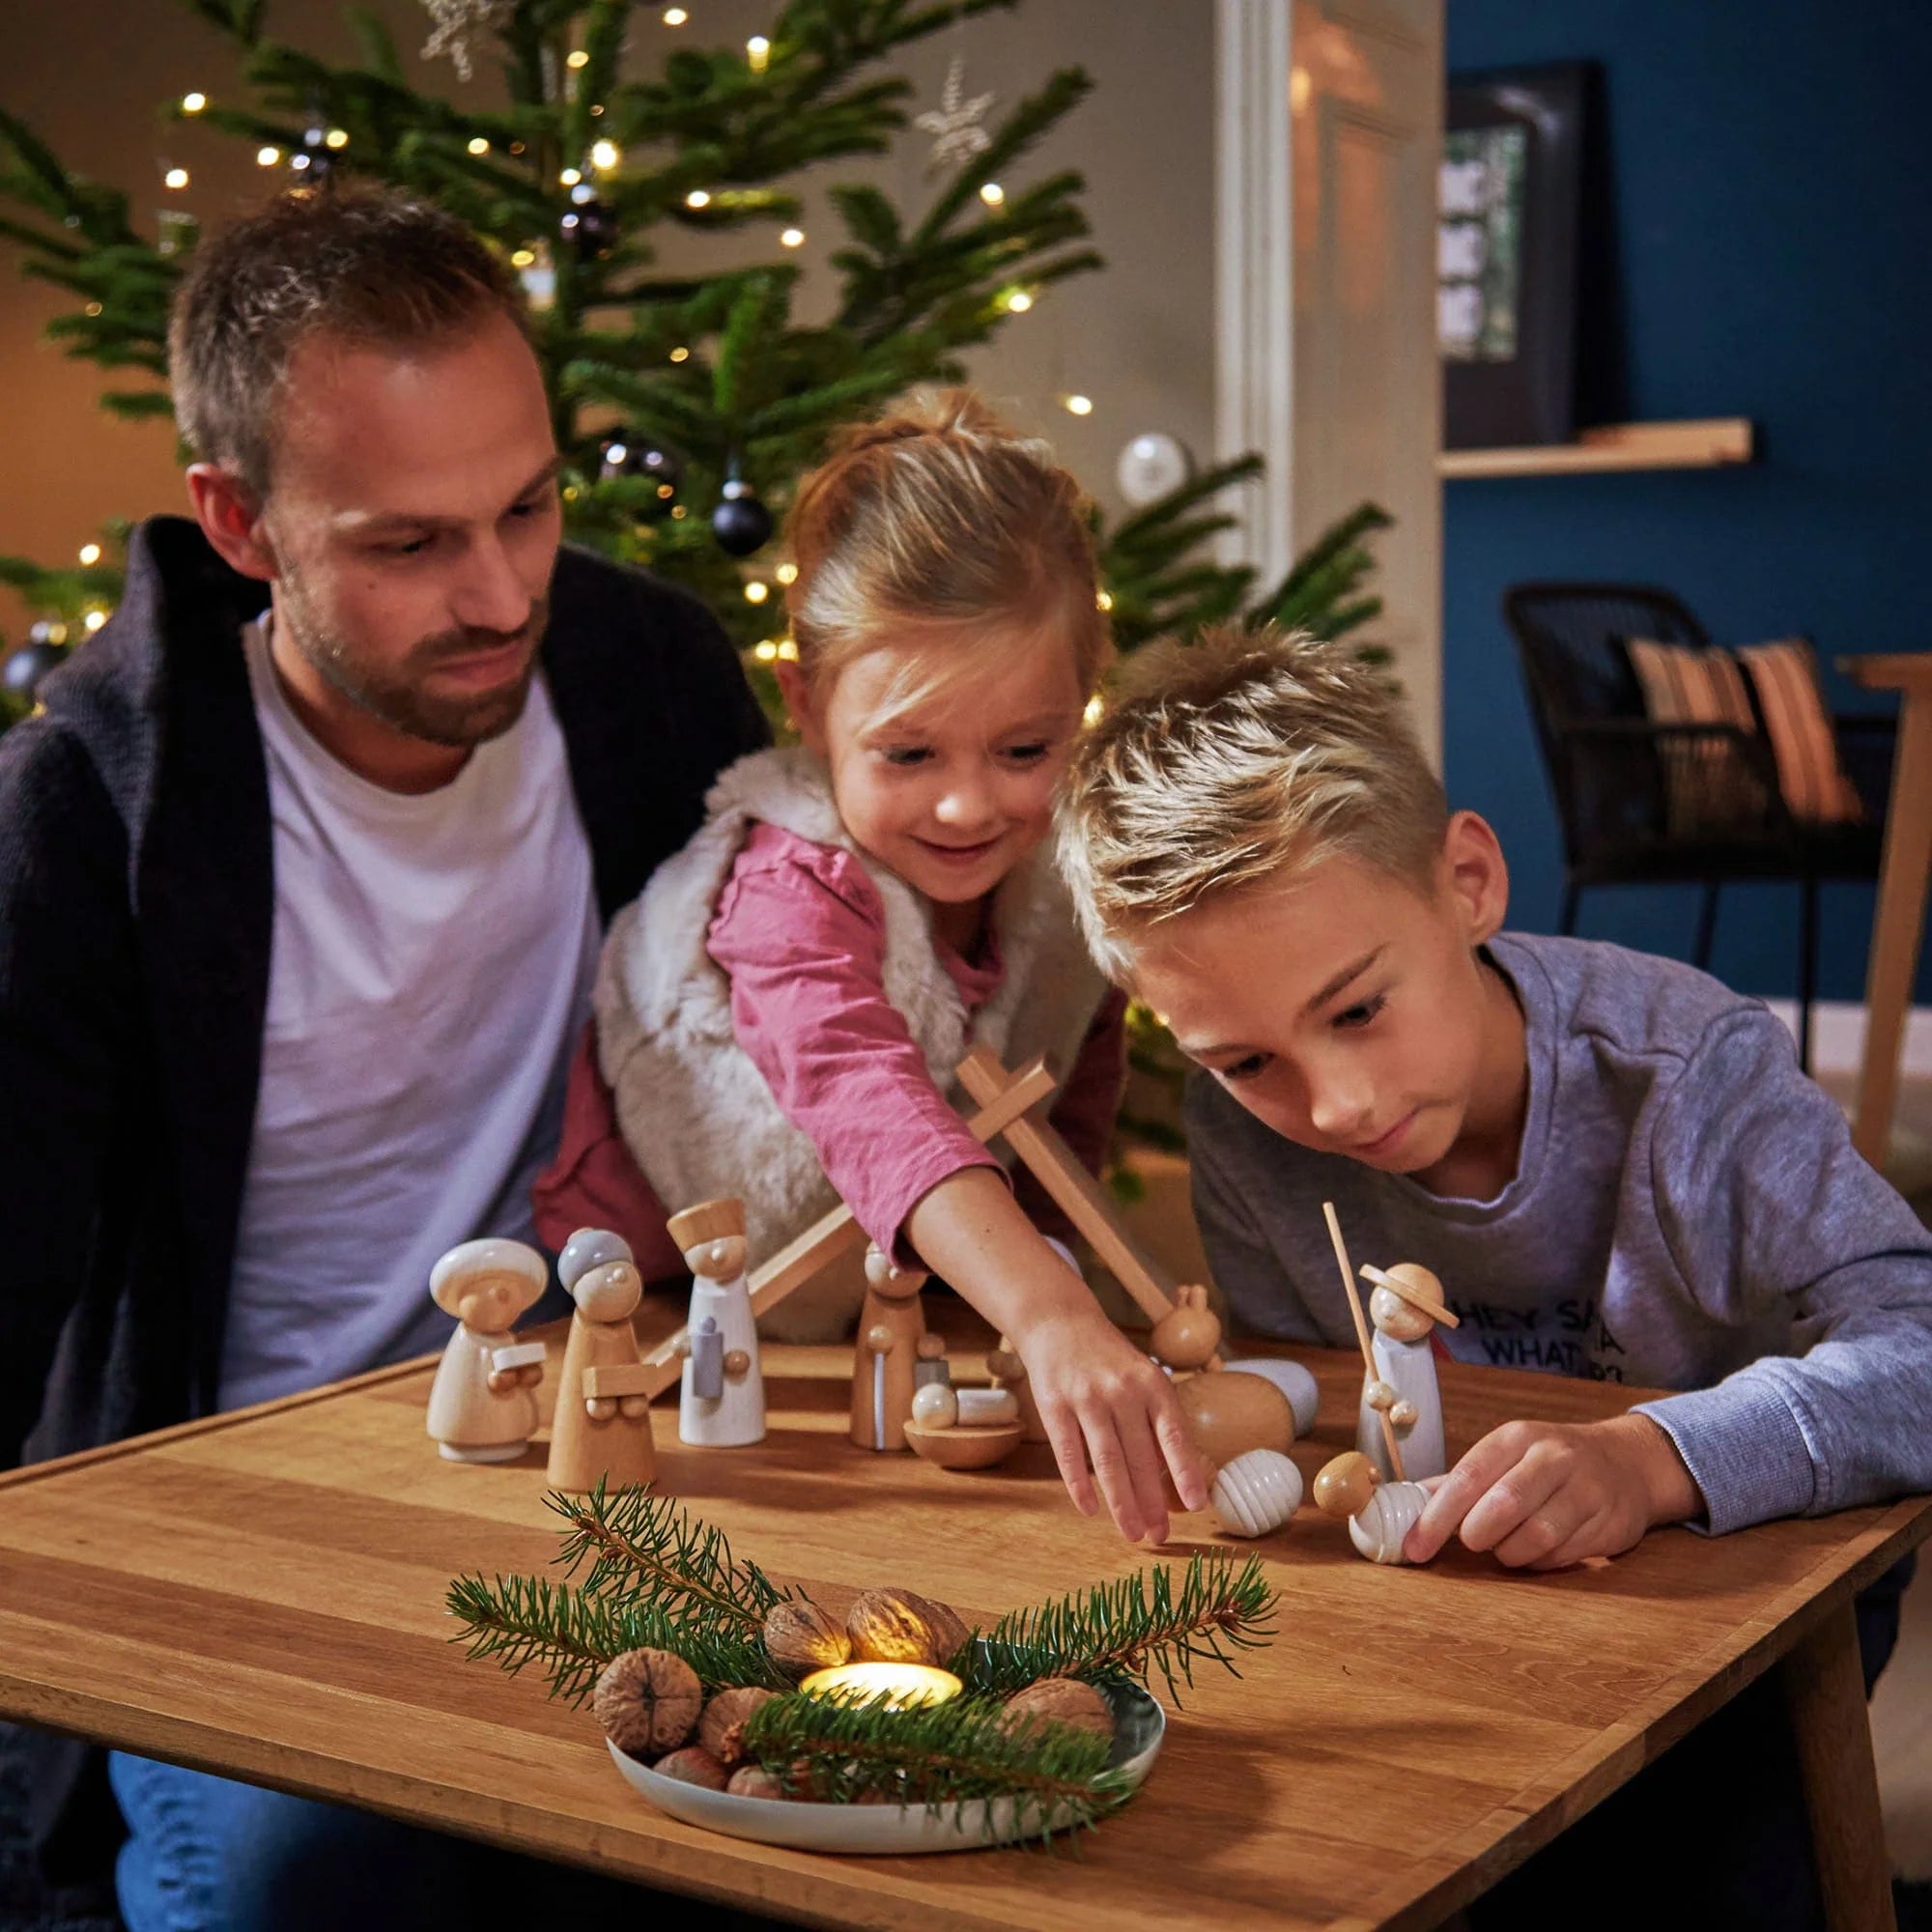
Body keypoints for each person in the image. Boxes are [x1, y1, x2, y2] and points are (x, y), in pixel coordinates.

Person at [0, 186, 767, 1928]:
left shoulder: (648, 676)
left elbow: (786, 1042)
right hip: (237, 1529)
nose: (502, 594)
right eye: (408, 544)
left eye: (529, 506)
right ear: (238, 523)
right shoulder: (81, 825)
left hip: (597, 1479)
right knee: (305, 1890)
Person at [1055, 620, 1932, 1927]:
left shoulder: (1684, 1070)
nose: (1336, 1104)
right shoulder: (1242, 1131)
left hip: (1747, 1588)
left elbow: (1917, 1350)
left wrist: (1647, 1463)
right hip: (1467, 1609)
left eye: (1357, 1009)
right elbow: (1327, 1398)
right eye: (1245, 1059)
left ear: (1466, 880)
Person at [538, 390, 1208, 1545]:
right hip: (653, 1315)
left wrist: (1051, 1284)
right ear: (806, 705)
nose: (966, 802)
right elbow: (862, 1094)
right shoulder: (788, 882)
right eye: (907, 751)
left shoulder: (1058, 879)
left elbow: (1066, 1080)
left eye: (1023, 749)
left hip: (899, 1301)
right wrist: (1044, 1311)